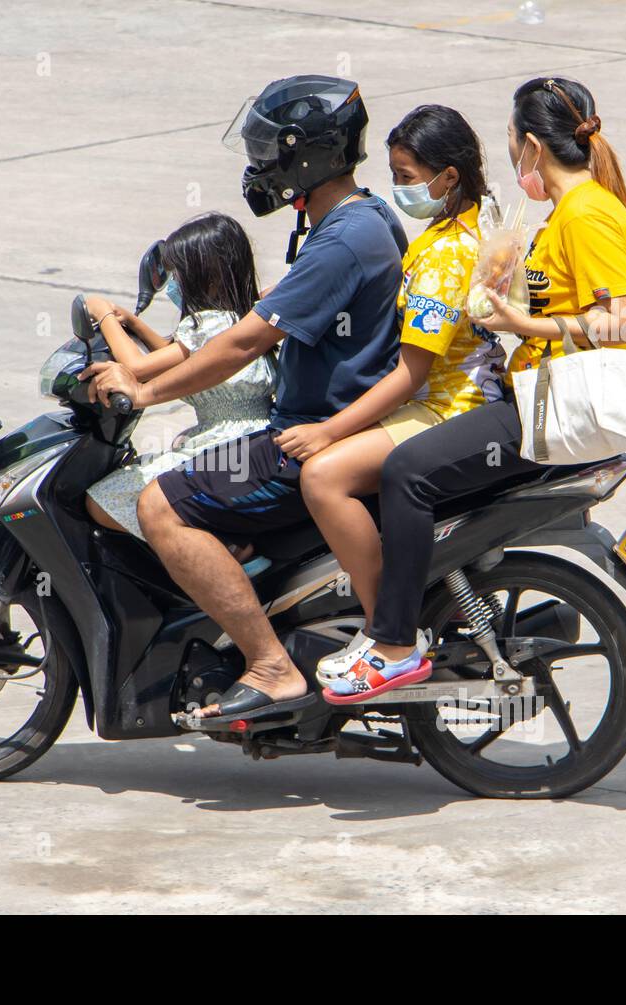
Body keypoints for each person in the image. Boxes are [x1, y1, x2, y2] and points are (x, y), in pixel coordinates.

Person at [84, 75, 407, 721]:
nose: (260, 169)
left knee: (161, 504)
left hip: (310, 435)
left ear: (305, 156)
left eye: (268, 154)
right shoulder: (362, 220)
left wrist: (143, 388)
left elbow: (240, 345)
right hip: (322, 424)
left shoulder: (343, 239)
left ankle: (270, 665)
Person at [329, 76, 626, 701]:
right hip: (533, 391)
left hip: (547, 404)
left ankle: (393, 644)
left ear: (530, 144)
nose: (504, 148)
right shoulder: (564, 213)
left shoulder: (587, 214)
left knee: (407, 472)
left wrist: (521, 323)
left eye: (507, 135)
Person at [268, 105, 505, 697]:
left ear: (448, 177)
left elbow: (410, 372)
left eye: (407, 176)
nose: (398, 188)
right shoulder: (456, 230)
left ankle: (387, 639)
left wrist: (327, 433)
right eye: (394, 174)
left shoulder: (448, 253)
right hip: (442, 399)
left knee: (323, 477)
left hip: (449, 407)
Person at [83, 213, 275, 539]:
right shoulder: (240, 318)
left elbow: (138, 368)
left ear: (207, 276)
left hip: (222, 444)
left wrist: (102, 315)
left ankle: (216, 548)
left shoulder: (208, 323)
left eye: (178, 274)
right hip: (251, 438)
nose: (174, 282)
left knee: (102, 500)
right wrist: (133, 321)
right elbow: (177, 360)